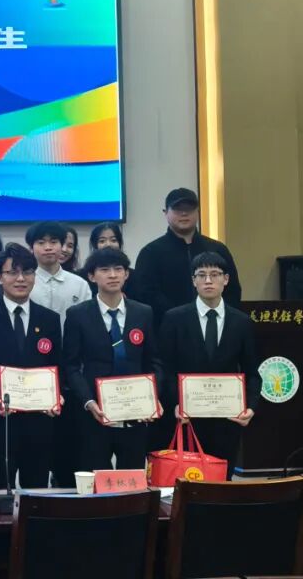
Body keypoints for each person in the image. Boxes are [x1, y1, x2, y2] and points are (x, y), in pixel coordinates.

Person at [0, 244, 62, 490]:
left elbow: (57, 365)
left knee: (37, 493)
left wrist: (57, 395)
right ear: (0, 277)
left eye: (27, 272)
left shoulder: (50, 319)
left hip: (39, 421)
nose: (21, 279)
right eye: (12, 272)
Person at [63, 248, 161, 471]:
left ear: (127, 274)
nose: (113, 275)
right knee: (98, 478)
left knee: (133, 479)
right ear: (91, 276)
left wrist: (153, 396)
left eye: (118, 269)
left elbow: (153, 361)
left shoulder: (143, 312)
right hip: (95, 413)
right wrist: (88, 401)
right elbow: (71, 365)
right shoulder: (77, 314)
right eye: (105, 270)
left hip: (136, 413)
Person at [158, 252, 258, 464]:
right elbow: (165, 368)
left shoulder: (242, 322)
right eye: (201, 275)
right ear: (193, 281)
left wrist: (251, 406)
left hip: (227, 420)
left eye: (215, 274)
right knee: (189, 479)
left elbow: (252, 371)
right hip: (186, 419)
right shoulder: (174, 318)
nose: (208, 280)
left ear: (226, 279)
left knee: (223, 478)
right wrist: (175, 403)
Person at [132, 188, 243, 326]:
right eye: (177, 208)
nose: (184, 213)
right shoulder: (150, 252)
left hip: (215, 326)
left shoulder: (217, 249)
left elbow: (232, 291)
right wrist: (180, 317)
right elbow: (145, 295)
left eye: (189, 208)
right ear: (165, 213)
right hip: (167, 328)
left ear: (198, 211)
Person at [27, 221, 92, 317]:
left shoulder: (80, 285)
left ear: (61, 245)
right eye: (41, 243)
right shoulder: (24, 283)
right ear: (31, 248)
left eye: (53, 242)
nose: (48, 247)